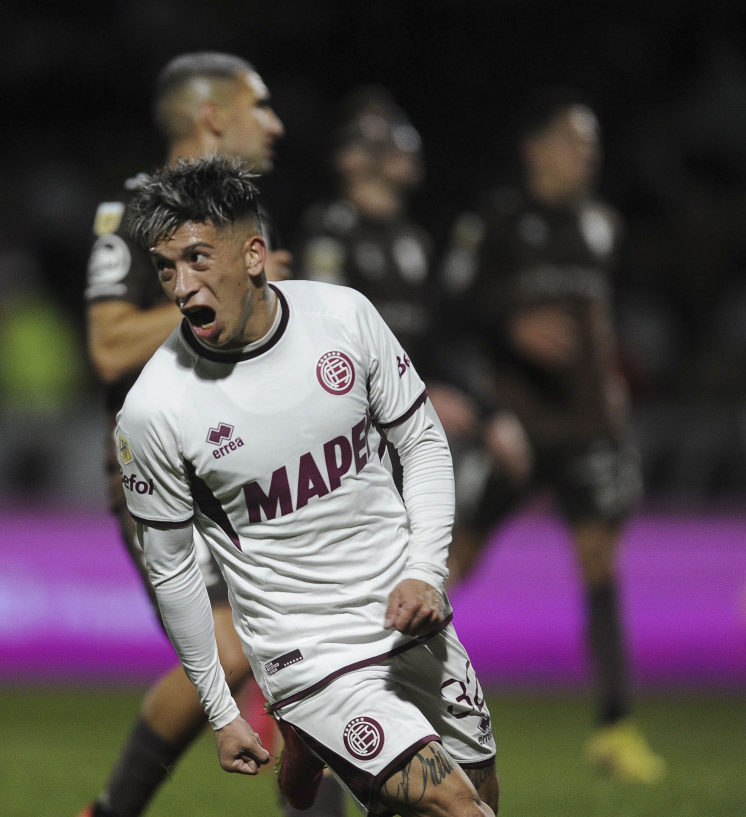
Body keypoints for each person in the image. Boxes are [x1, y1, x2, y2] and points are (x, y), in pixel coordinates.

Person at [115, 154, 499, 817]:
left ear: (255, 254)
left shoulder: (344, 318)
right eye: (167, 268)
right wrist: (220, 707)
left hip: (407, 616)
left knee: (485, 790)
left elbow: (423, 440)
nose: (182, 286)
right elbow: (173, 569)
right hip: (308, 653)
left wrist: (425, 572)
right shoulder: (156, 407)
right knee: (461, 809)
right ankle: (306, 724)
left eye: (198, 260)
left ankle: (307, 750)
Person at [81, 53, 345, 817]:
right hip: (164, 473)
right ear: (212, 117)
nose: (276, 123)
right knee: (236, 653)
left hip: (245, 467)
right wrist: (218, 289)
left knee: (292, 650)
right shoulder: (130, 213)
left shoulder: (242, 219)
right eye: (259, 106)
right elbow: (107, 344)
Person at [438, 88, 665, 783]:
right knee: (455, 563)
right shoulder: (499, 224)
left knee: (600, 558)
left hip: (589, 425)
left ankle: (616, 728)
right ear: (536, 147)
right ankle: (368, 687)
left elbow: (596, 319)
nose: (586, 154)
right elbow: (451, 308)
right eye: (573, 139)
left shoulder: (601, 224)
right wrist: (511, 330)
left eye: (591, 142)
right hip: (519, 428)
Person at [296, 86, 530, 491]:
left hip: (404, 416)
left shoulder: (413, 243)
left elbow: (429, 340)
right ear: (350, 159)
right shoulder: (328, 232)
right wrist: (412, 402)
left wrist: (487, 411)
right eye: (379, 139)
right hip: (348, 426)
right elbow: (328, 344)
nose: (399, 146)